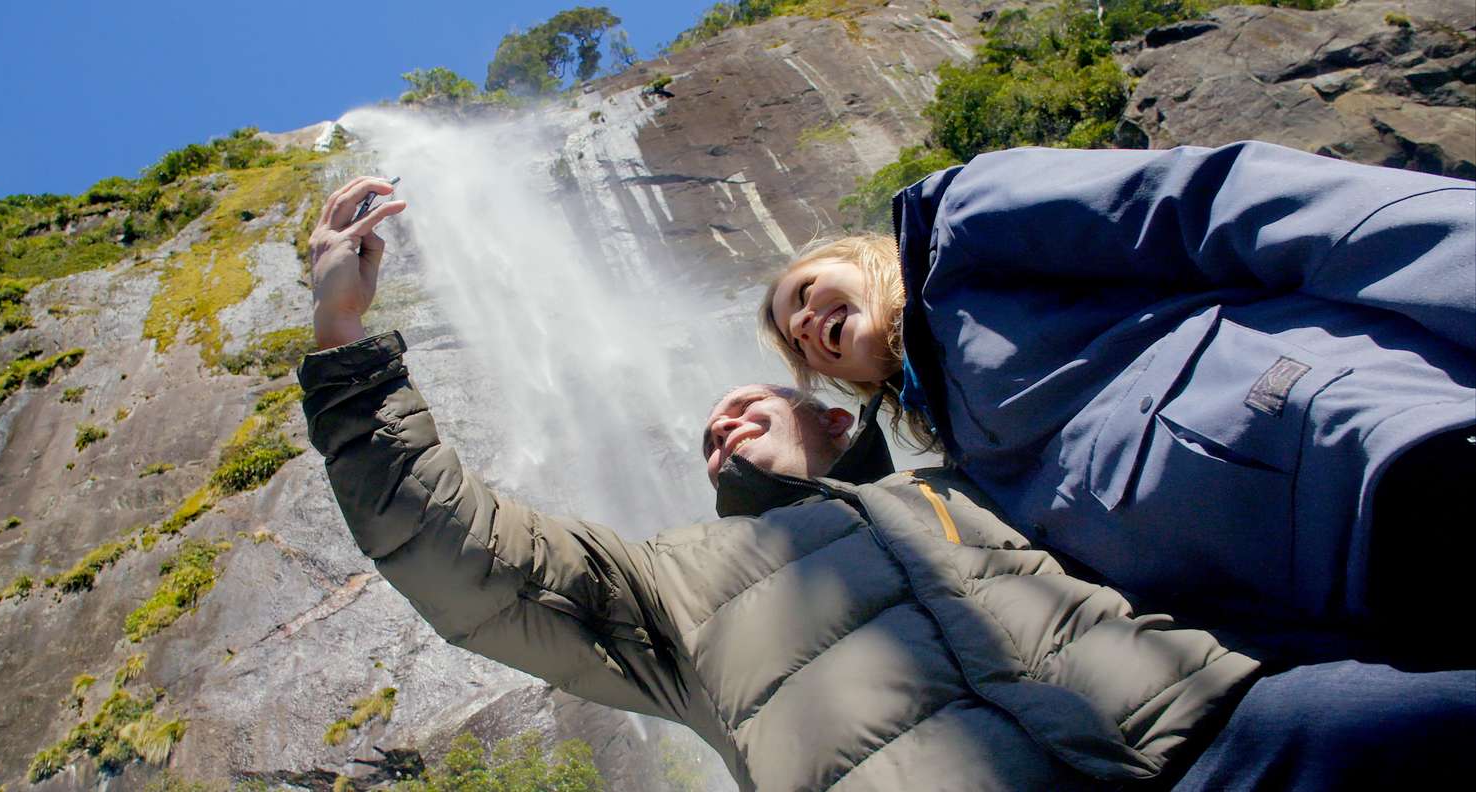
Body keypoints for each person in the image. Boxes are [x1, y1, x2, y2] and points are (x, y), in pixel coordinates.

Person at [301, 177, 1269, 791]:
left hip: (1216, 735)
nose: (717, 427)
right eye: (708, 436)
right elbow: (467, 555)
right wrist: (343, 340)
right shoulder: (670, 586)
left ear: (835, 420)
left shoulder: (968, 480)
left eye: (745, 405)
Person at [761, 142, 1476, 662]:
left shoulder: (961, 226)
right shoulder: (963, 455)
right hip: (1360, 606)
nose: (800, 324)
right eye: (796, 344)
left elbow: (1219, 201)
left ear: (856, 256)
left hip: (1381, 452)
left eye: (801, 292)